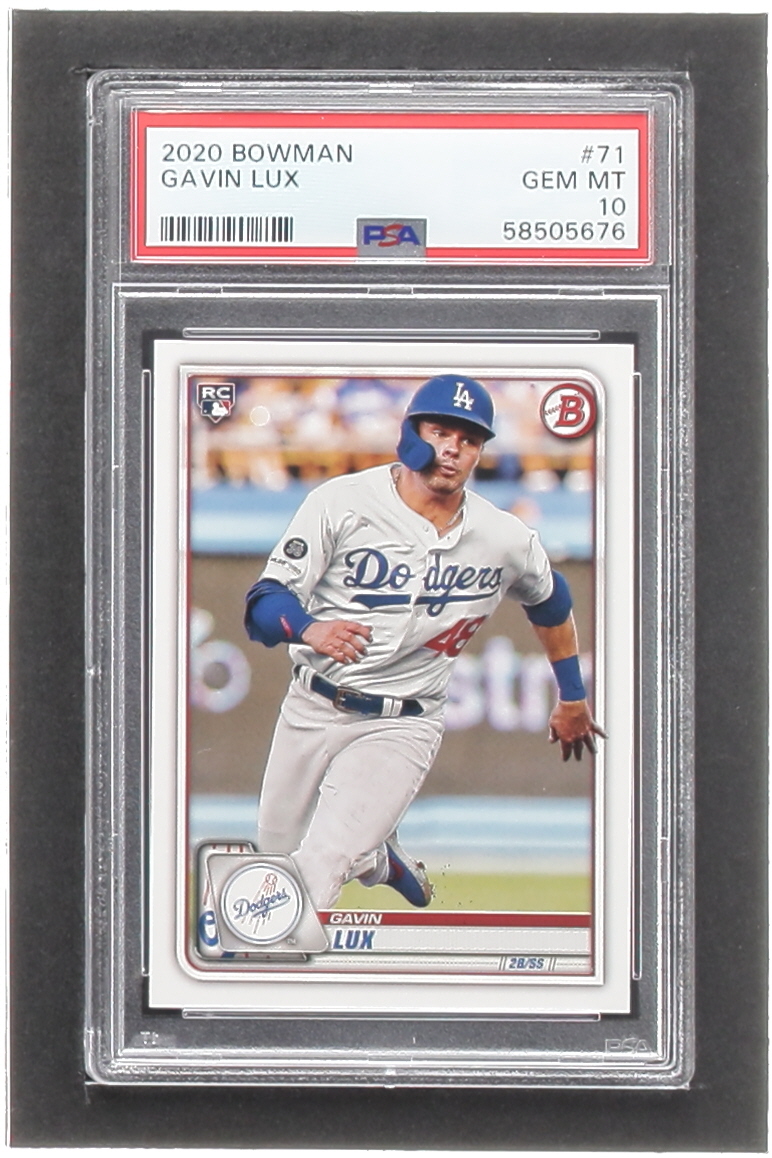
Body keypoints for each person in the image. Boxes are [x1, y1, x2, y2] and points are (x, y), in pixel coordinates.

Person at [244, 375, 604, 912]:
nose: (453, 449)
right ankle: (377, 860)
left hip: (404, 720)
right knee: (273, 855)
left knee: (315, 869)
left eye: (469, 439)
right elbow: (264, 603)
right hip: (311, 703)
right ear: (411, 433)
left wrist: (572, 695)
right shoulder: (342, 502)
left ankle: (276, 958)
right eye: (440, 432)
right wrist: (310, 627)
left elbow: (552, 601)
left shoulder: (502, 537)